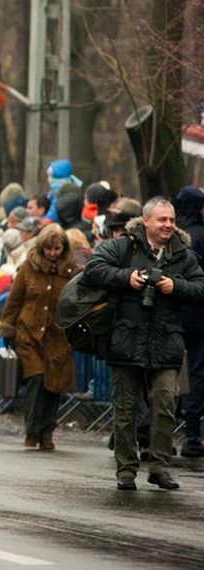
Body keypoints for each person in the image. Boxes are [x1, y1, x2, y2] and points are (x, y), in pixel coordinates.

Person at [82, 197, 204, 490]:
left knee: (165, 403)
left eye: (172, 220)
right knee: (125, 408)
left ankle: (160, 467)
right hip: (127, 338)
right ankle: (126, 469)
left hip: (166, 342)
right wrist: (128, 278)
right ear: (146, 220)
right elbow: (93, 268)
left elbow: (201, 288)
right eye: (162, 219)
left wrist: (175, 287)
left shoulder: (183, 254)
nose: (168, 225)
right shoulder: (124, 247)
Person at [0, 224, 79, 450]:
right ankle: (32, 430)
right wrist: (6, 327)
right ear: (41, 248)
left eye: (57, 248)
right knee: (37, 378)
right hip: (28, 333)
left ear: (64, 248)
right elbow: (14, 299)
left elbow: (78, 303)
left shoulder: (72, 272)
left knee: (54, 384)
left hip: (57, 337)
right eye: (49, 248)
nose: (53, 253)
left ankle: (48, 431)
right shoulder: (28, 268)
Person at [173, 186, 204, 457]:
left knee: (167, 370)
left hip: (170, 311)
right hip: (197, 314)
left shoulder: (170, 236)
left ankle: (159, 434)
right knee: (196, 372)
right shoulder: (201, 235)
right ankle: (192, 435)